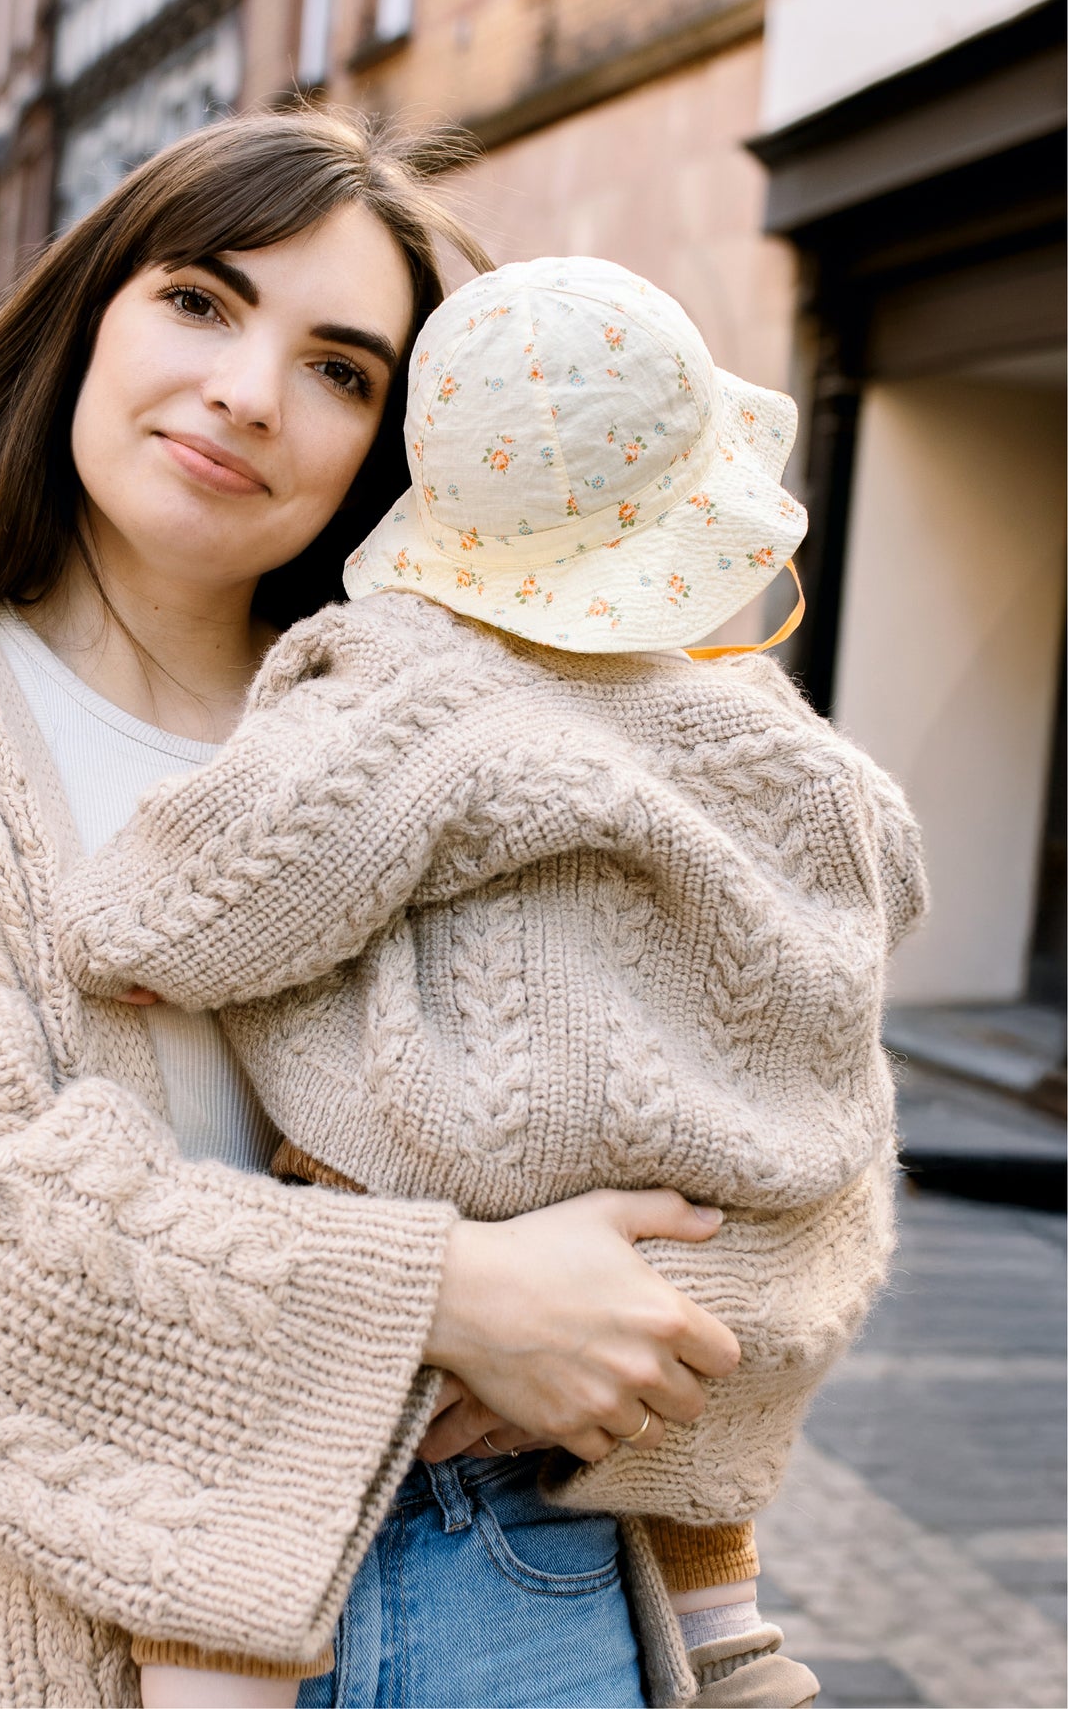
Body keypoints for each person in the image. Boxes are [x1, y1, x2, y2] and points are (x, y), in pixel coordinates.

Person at [0, 114, 748, 1709]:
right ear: (88, 316)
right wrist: (457, 1295)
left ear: (395, 449)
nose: (250, 392)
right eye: (200, 301)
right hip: (50, 1605)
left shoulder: (454, 718)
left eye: (343, 371)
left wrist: (650, 1298)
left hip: (508, 1574)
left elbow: (727, 1121)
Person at [55, 259, 930, 1707]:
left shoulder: (418, 690)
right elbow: (883, 870)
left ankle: (219, 1669)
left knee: (255, 1453)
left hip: (457, 1180)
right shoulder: (774, 732)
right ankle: (723, 1629)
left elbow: (214, 890)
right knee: (694, 1443)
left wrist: (121, 933)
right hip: (711, 1206)